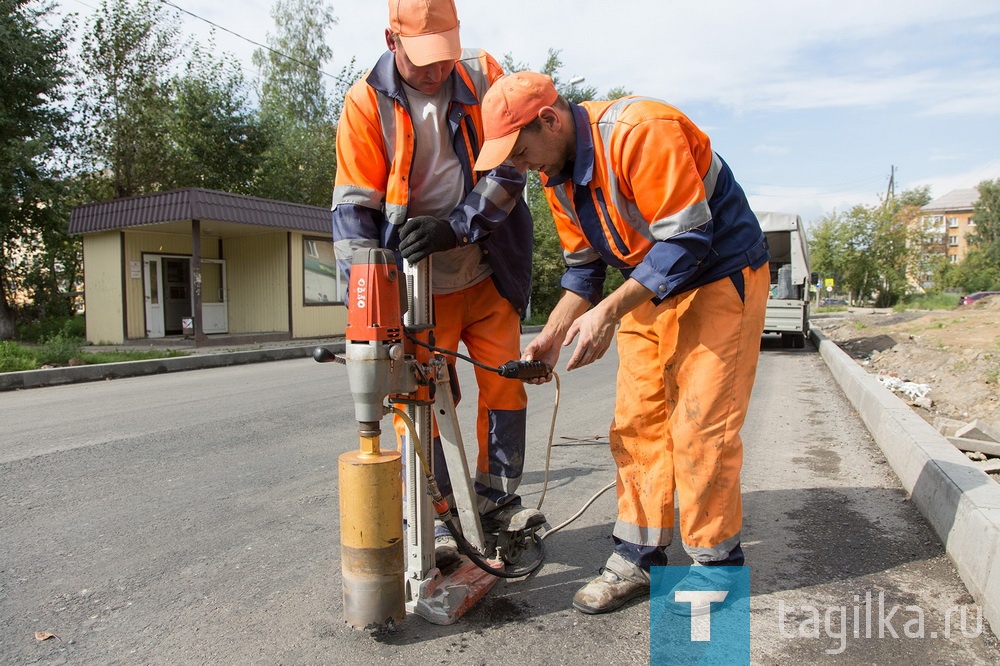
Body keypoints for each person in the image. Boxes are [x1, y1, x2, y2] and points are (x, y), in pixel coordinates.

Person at [474, 71, 770, 614]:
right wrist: (553, 335)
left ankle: (716, 566)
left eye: (519, 151)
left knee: (701, 425)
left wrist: (610, 313)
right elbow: (582, 273)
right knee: (636, 423)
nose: (518, 166)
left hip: (720, 272)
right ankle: (638, 555)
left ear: (550, 119)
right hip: (650, 282)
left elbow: (687, 240)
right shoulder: (556, 178)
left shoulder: (641, 130)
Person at [331, 0, 543, 562]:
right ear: (390, 40)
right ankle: (437, 510)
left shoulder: (483, 74)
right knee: (421, 396)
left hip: (488, 264)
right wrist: (365, 313)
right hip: (419, 285)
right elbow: (354, 212)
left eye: (444, 55)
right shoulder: (364, 104)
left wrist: (457, 227)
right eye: (424, 59)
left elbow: (510, 169)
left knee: (504, 386)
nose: (436, 71)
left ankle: (497, 502)